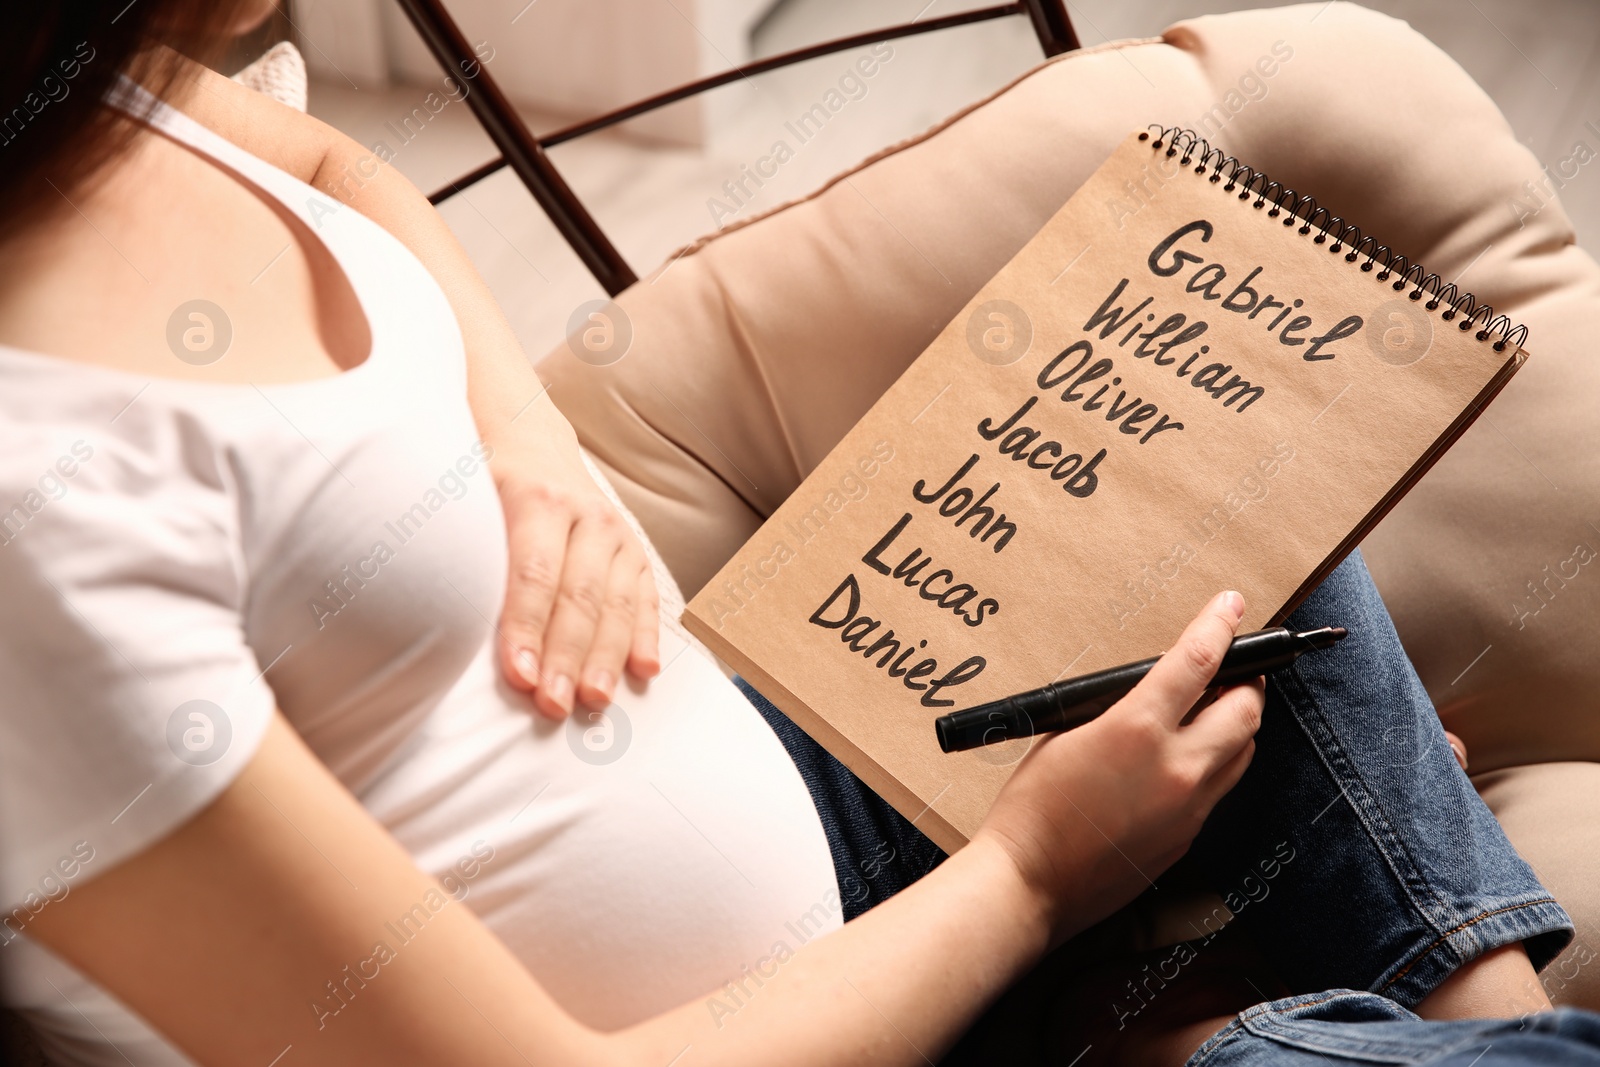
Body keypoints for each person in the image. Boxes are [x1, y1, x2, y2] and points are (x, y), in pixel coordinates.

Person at [0, 3, 1594, 1065]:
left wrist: (528, 442)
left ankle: (1474, 1014)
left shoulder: (107, 93)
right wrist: (1042, 873)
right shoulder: (31, 532)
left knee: (1213, 516)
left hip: (826, 797)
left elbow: (344, 161)